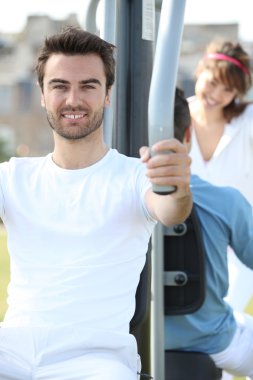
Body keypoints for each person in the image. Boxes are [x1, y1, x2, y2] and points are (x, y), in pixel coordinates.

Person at [0, 27, 192, 380]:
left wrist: (177, 188)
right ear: (42, 94)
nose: (73, 99)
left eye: (88, 85)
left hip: (95, 362)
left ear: (106, 95)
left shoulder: (135, 177)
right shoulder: (12, 178)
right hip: (12, 351)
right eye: (60, 86)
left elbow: (169, 210)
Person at [164, 87, 253, 379]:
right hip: (212, 340)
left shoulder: (104, 199)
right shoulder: (225, 202)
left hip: (127, 338)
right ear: (189, 136)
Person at [188, 39, 253, 328]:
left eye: (229, 90)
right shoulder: (171, 116)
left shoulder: (247, 121)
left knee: (230, 321)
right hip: (186, 242)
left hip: (238, 245)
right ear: (199, 71)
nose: (216, 95)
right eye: (213, 83)